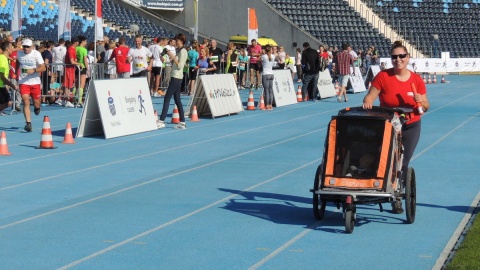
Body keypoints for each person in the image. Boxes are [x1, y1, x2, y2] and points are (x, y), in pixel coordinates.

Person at [362, 40, 430, 214]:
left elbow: (426, 107)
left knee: (403, 162)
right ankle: (378, 186)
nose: (398, 59)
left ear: (408, 58)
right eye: (394, 57)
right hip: (390, 124)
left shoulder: (416, 80)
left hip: (411, 125)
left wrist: (421, 101)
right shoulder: (383, 77)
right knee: (387, 159)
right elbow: (370, 96)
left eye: (402, 56)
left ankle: (398, 197)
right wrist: (368, 103)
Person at [157, 33, 188, 130]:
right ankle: (182, 122)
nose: (175, 42)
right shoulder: (180, 51)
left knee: (167, 97)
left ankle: (161, 121)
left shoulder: (183, 51)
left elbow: (180, 66)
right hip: (175, 76)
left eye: (177, 41)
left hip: (177, 77)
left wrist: (172, 56)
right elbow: (176, 64)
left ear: (181, 41)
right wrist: (171, 58)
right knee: (177, 100)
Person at [16, 39, 46, 132]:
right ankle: (28, 123)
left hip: (35, 82)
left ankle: (37, 108)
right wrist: (16, 72)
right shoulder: (19, 54)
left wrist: (34, 70)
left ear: (31, 47)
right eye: (24, 46)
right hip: (23, 81)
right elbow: (18, 62)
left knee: (37, 103)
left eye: (28, 47)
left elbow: (43, 67)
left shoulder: (36, 54)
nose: (26, 48)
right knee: (25, 101)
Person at [0, 41, 17, 114]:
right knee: (8, 102)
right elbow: (2, 77)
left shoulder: (4, 58)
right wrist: (12, 85)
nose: (12, 49)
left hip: (2, 85)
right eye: (11, 47)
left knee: (8, 102)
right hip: (0, 86)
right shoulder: (3, 59)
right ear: (7, 49)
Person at [63, 37, 80, 108]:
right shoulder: (71, 49)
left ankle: (66, 100)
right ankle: (67, 100)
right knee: (67, 85)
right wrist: (79, 64)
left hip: (71, 69)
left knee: (69, 85)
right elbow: (72, 61)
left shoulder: (73, 49)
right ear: (76, 42)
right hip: (68, 69)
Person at [260, 45, 275, 110]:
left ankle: (267, 105)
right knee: (270, 90)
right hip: (271, 73)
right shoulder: (273, 56)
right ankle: (270, 104)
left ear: (265, 50)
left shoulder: (263, 56)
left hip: (265, 74)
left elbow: (259, 61)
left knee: (266, 90)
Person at [75, 36, 88, 107]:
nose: (86, 43)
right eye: (86, 41)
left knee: (76, 84)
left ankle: (74, 99)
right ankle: (79, 100)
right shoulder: (84, 50)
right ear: (82, 41)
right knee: (82, 84)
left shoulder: (76, 48)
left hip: (76, 67)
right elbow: (85, 60)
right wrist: (87, 68)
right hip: (82, 67)